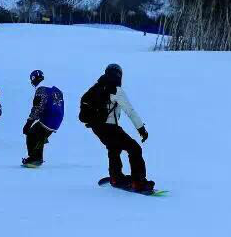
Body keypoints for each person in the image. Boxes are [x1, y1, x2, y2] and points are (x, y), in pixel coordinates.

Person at [80, 64, 153, 192]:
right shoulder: (116, 90)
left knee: (114, 147)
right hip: (110, 127)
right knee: (135, 149)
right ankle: (138, 182)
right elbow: (130, 111)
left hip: (97, 127)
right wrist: (141, 129)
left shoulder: (96, 88)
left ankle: (115, 177)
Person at [22, 70, 64, 167]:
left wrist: (28, 122)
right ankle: (37, 157)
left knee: (31, 133)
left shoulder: (41, 90)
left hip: (48, 118)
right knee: (39, 136)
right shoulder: (57, 90)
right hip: (58, 120)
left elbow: (38, 107)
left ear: (34, 79)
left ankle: (35, 158)